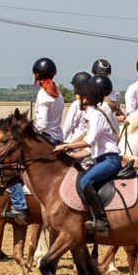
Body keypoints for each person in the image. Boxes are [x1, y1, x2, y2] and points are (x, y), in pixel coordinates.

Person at [53, 79, 120, 236]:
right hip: (101, 159)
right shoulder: (93, 115)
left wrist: (65, 146)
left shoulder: (96, 115)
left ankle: (102, 220)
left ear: (85, 98)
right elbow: (90, 151)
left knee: (85, 182)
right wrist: (71, 156)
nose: (77, 99)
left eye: (79, 96)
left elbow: (88, 142)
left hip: (110, 160)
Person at [4, 58, 65, 224]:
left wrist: (28, 130)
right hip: (58, 137)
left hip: (45, 138)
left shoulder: (43, 93)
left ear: (37, 74)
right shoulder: (57, 91)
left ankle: (19, 206)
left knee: (15, 168)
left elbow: (42, 123)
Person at [61, 71, 92, 142]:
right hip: (88, 143)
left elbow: (68, 126)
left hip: (75, 143)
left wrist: (62, 141)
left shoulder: (76, 104)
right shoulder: (95, 104)